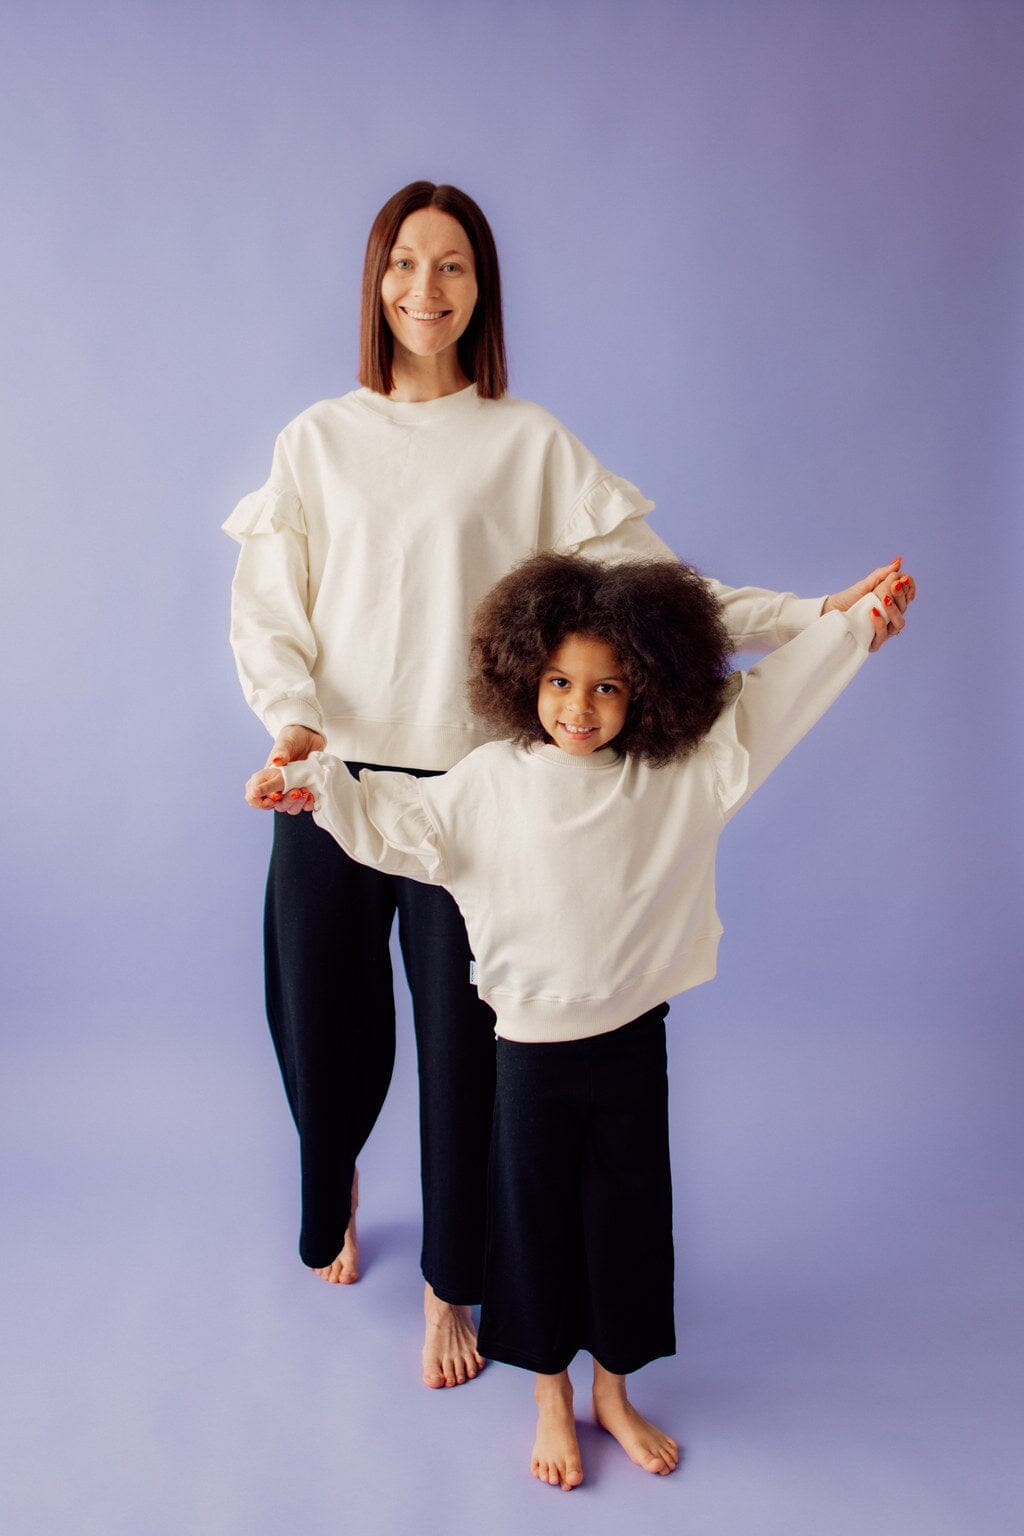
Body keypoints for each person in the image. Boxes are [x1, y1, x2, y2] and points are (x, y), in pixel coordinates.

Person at [224, 179, 913, 1388]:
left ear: (480, 288)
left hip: (472, 796)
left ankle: (451, 1282)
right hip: (325, 777)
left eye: (451, 265)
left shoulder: (526, 442)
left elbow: (664, 600)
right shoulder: (316, 441)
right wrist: (292, 729)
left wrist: (814, 615)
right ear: (375, 282)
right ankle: (331, 1177)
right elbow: (268, 608)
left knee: (463, 1062)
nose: (424, 288)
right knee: (317, 1028)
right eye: (403, 263)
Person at [245, 552, 915, 1489]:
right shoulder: (490, 780)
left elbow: (772, 702)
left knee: (627, 1225)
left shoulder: (679, 775)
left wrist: (853, 626)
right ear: (525, 675)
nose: (579, 706)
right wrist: (313, 784)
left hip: (632, 1046)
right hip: (527, 1056)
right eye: (560, 681)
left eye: (607, 687)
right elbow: (396, 817)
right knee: (535, 1229)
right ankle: (551, 1396)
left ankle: (615, 1393)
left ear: (646, 689)